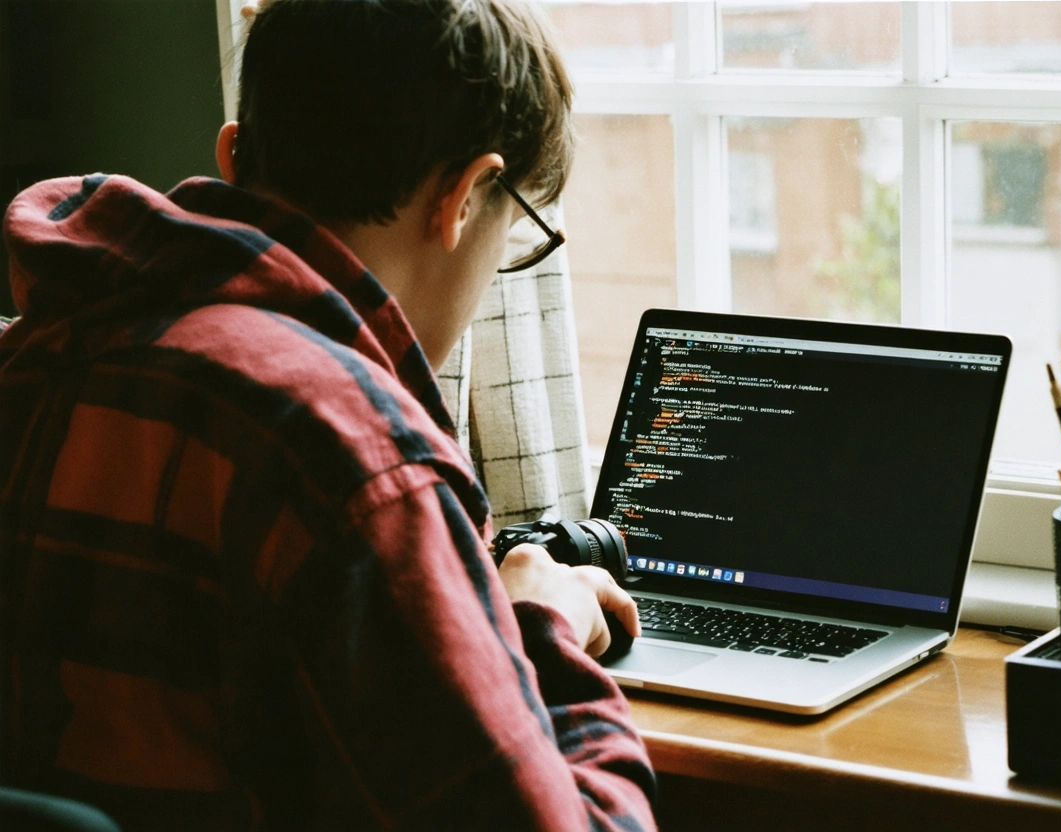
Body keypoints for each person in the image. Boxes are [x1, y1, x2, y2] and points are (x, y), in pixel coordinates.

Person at [0, 1, 656, 829]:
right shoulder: (352, 455)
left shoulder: (39, 351)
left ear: (234, 156)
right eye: (514, 235)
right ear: (463, 196)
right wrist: (538, 632)